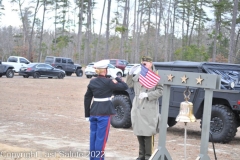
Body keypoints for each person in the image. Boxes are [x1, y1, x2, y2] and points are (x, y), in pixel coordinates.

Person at [84, 59, 128, 160]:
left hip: (94, 111)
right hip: (104, 113)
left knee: (93, 138)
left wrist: (87, 114)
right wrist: (117, 77)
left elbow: (87, 98)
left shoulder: (92, 82)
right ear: (105, 70)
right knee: (101, 139)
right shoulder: (109, 82)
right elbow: (125, 86)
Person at [126, 56, 163, 160]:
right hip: (138, 106)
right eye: (143, 62)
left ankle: (148, 156)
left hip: (149, 107)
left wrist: (148, 95)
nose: (144, 64)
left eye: (146, 62)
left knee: (148, 133)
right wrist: (129, 73)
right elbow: (129, 84)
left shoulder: (156, 75)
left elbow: (161, 90)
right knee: (139, 132)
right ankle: (141, 155)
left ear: (151, 64)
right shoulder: (139, 74)